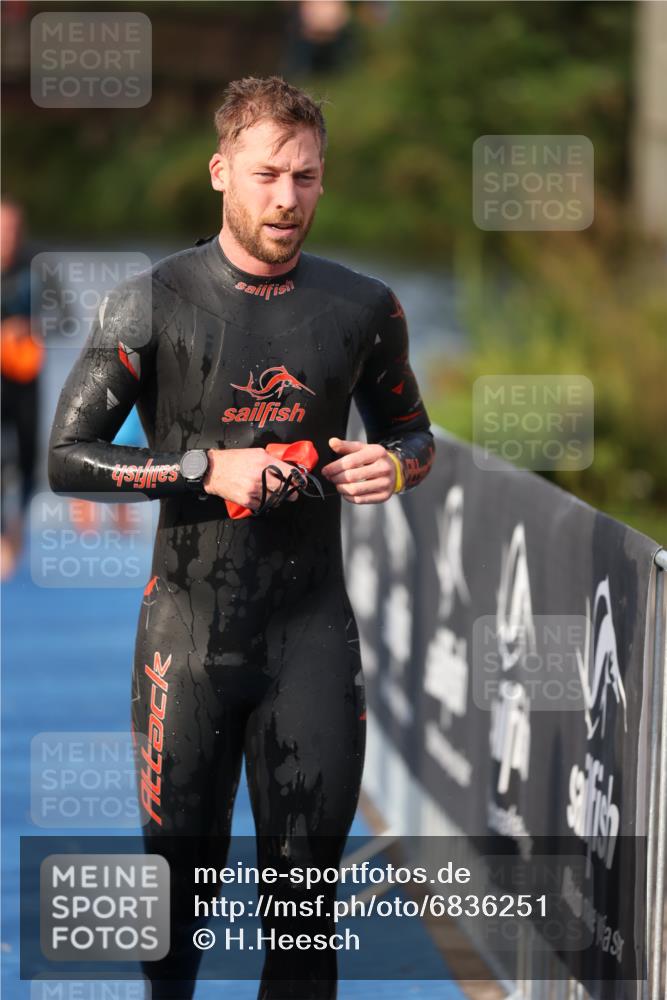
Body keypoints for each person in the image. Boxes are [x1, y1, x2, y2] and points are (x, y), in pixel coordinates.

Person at [48, 75, 434, 1000]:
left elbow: (412, 433)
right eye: (267, 175)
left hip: (311, 638)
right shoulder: (148, 302)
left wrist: (395, 468)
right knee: (178, 909)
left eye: (305, 177)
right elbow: (66, 457)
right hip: (184, 640)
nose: (286, 198)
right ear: (221, 171)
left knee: (303, 917)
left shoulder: (363, 307)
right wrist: (201, 469)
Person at [1, 198, 45, 579]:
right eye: (2, 230)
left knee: (29, 455)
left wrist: (30, 327)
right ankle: (2, 535)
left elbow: (65, 316)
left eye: (13, 229)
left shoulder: (37, 268)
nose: (7, 237)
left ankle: (18, 525)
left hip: (26, 377)